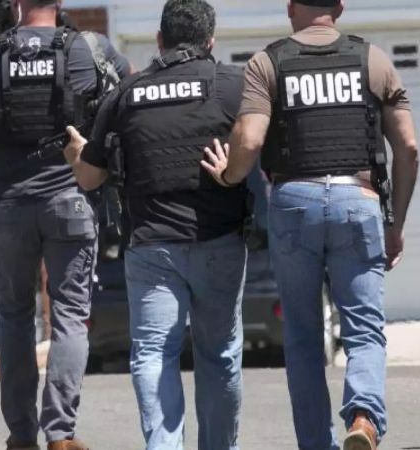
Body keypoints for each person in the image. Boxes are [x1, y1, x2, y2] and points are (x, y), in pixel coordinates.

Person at [199, 1, 420, 449]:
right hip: (357, 200)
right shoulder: (371, 59)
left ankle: (317, 444)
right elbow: (409, 147)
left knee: (302, 336)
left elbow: (252, 138)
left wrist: (228, 175)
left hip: (294, 202)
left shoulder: (268, 62)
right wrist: (394, 222)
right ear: (339, 7)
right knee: (364, 328)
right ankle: (363, 417)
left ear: (290, 7)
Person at [63, 1, 249, 448]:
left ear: (160, 39)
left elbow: (89, 177)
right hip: (218, 240)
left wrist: (75, 149)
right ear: (211, 41)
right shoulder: (232, 85)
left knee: (152, 355)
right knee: (219, 356)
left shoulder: (126, 94)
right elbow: (261, 144)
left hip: (150, 247)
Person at [0, 1, 131, 449]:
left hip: (11, 204)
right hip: (71, 198)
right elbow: (127, 88)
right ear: (58, 4)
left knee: (15, 318)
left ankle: (21, 437)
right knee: (71, 318)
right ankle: (60, 434)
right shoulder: (88, 49)